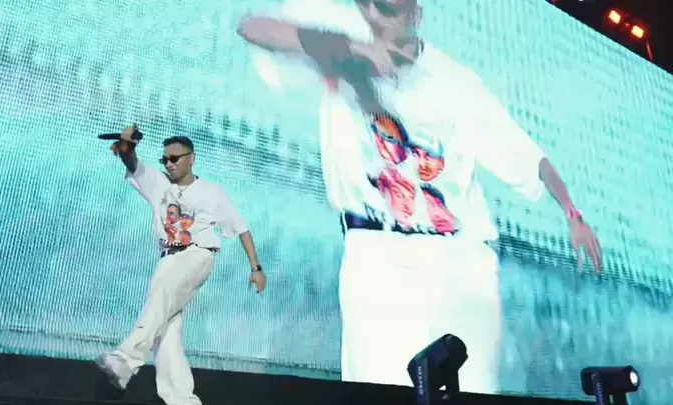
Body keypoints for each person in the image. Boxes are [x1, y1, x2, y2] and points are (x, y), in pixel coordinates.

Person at [237, 0, 602, 394]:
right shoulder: (339, 50)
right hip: (377, 255)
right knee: (382, 388)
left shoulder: (455, 81)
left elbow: (529, 158)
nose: (376, 16)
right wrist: (352, 50)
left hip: (461, 261)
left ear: (416, 14)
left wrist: (573, 215)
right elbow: (254, 29)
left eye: (390, 9)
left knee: (471, 389)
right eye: (371, 6)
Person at [96, 124, 267, 405]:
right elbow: (133, 163)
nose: (169, 163)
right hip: (169, 257)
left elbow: (241, 228)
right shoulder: (159, 184)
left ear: (192, 159)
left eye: (175, 158)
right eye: (165, 159)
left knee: (162, 291)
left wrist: (256, 268)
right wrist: (128, 146)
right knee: (166, 330)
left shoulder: (212, 192)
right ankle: (182, 399)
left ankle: (124, 361)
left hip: (197, 255)